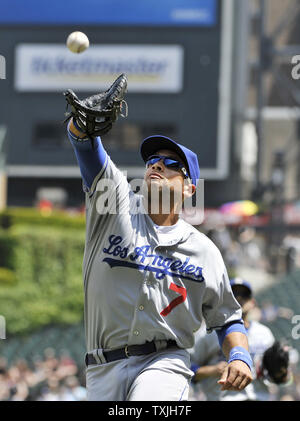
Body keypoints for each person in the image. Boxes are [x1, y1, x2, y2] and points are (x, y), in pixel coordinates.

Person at [65, 75, 253, 401]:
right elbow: (87, 151)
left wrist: (240, 355)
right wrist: (83, 129)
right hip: (101, 367)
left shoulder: (203, 251)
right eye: (152, 161)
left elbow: (227, 318)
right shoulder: (115, 204)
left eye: (170, 164)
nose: (156, 166)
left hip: (164, 362)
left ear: (189, 187)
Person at [189, 278, 287, 401]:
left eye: (244, 295)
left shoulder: (264, 333)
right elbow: (187, 369)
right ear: (224, 300)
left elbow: (282, 379)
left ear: (252, 302)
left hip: (260, 397)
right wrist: (212, 370)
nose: (239, 298)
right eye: (233, 294)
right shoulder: (208, 332)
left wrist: (280, 372)